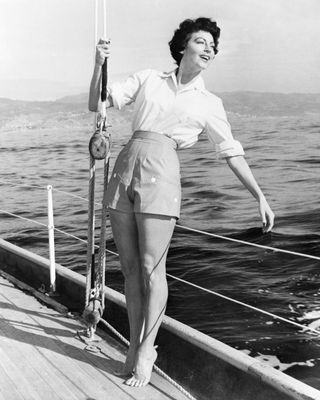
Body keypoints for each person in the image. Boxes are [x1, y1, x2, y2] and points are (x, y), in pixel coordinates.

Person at [88, 17, 275, 387]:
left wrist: (259, 196)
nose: (209, 49)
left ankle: (146, 350)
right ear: (182, 47)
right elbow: (98, 102)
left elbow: (231, 152)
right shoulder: (148, 79)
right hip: (125, 166)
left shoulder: (208, 103)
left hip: (163, 170)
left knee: (150, 267)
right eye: (202, 42)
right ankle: (133, 345)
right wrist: (98, 66)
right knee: (128, 270)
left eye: (213, 46)